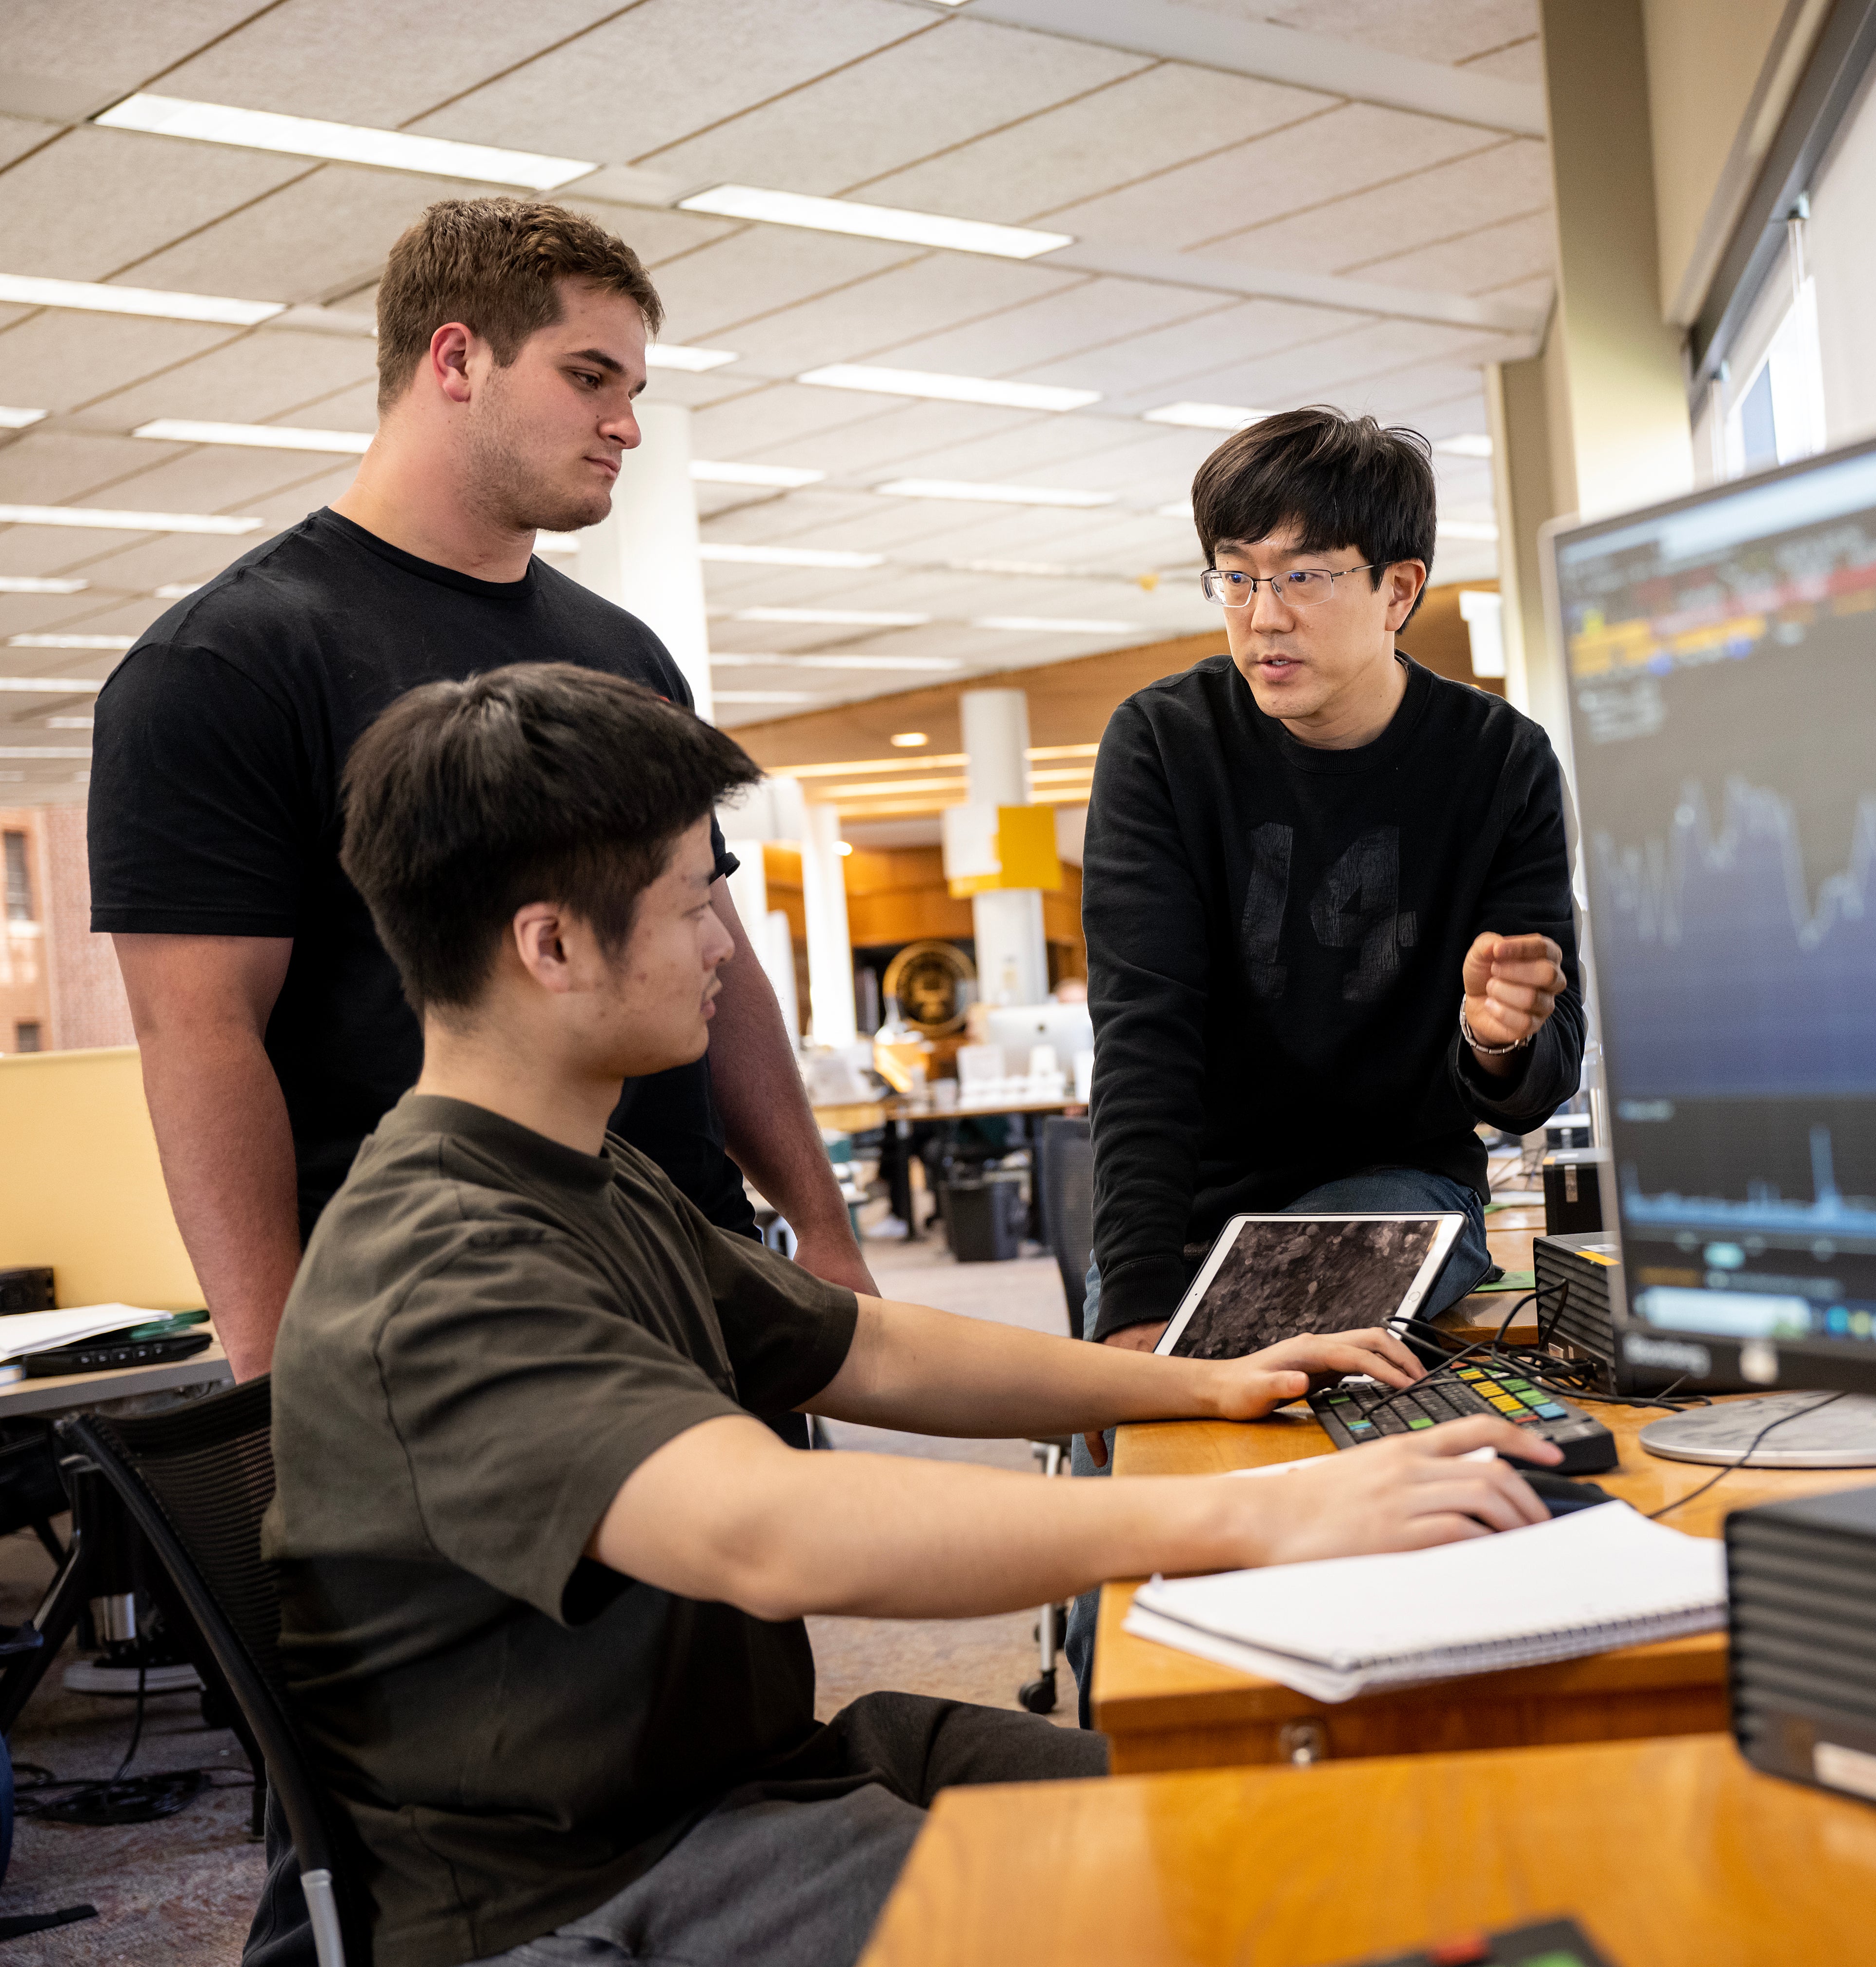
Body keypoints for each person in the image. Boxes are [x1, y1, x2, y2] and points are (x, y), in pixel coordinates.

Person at [272, 662, 1559, 1967]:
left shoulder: (586, 1178)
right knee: (1236, 1921)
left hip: (760, 1777)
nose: (725, 943)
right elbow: (767, 1531)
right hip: (599, 1885)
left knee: (1282, 1831)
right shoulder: (444, 1263)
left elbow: (872, 1346)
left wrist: (1197, 1380)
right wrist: (1263, 1512)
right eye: (692, 905)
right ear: (550, 946)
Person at [88, 197, 871, 1388]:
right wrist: (272, 1370)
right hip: (448, 1319)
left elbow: (708, 930)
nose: (626, 425)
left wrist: (821, 1224)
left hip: (695, 1272)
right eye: (590, 377)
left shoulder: (623, 652)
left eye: (635, 392)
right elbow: (199, 1036)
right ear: (456, 359)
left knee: (754, 1574)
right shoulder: (225, 664)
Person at [1064, 406, 1585, 1703]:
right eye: (1236, 578)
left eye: (1300, 577)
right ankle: (1120, 1722)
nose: (1261, 616)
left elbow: (1537, 1070)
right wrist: (1131, 1308)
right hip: (1184, 1201)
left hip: (1388, 1186)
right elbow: (1144, 1033)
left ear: (1398, 589)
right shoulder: (1163, 745)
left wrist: (1494, 1042)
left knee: (1281, 1468)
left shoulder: (1500, 763)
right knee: (1133, 1513)